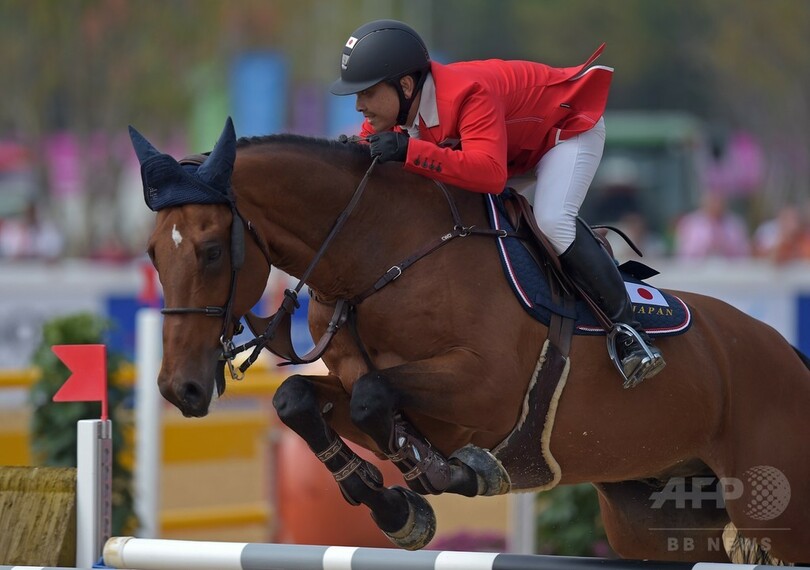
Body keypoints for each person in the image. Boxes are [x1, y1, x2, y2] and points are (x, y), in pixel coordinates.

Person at [330, 19, 664, 386]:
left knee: (553, 220)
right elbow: (369, 155)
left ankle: (630, 332)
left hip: (564, 133)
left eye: (366, 93)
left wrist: (411, 151)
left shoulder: (468, 91)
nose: (359, 105)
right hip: (510, 150)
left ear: (405, 85)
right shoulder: (395, 113)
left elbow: (490, 174)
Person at [674, 192, 751, 260]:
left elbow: (744, 251)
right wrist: (706, 246)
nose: (716, 205)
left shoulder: (735, 223)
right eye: (713, 202)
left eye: (718, 202)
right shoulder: (690, 223)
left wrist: (725, 245)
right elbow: (683, 252)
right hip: (697, 270)